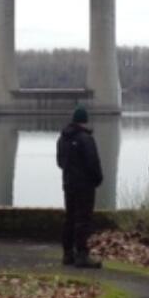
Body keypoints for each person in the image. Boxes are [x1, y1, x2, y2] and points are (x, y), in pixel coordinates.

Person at [57, 104, 104, 268]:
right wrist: (97, 180)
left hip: (68, 184)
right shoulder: (86, 139)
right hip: (84, 186)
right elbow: (93, 163)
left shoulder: (62, 138)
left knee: (69, 217)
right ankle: (82, 255)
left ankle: (67, 254)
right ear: (84, 121)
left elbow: (60, 162)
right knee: (83, 219)